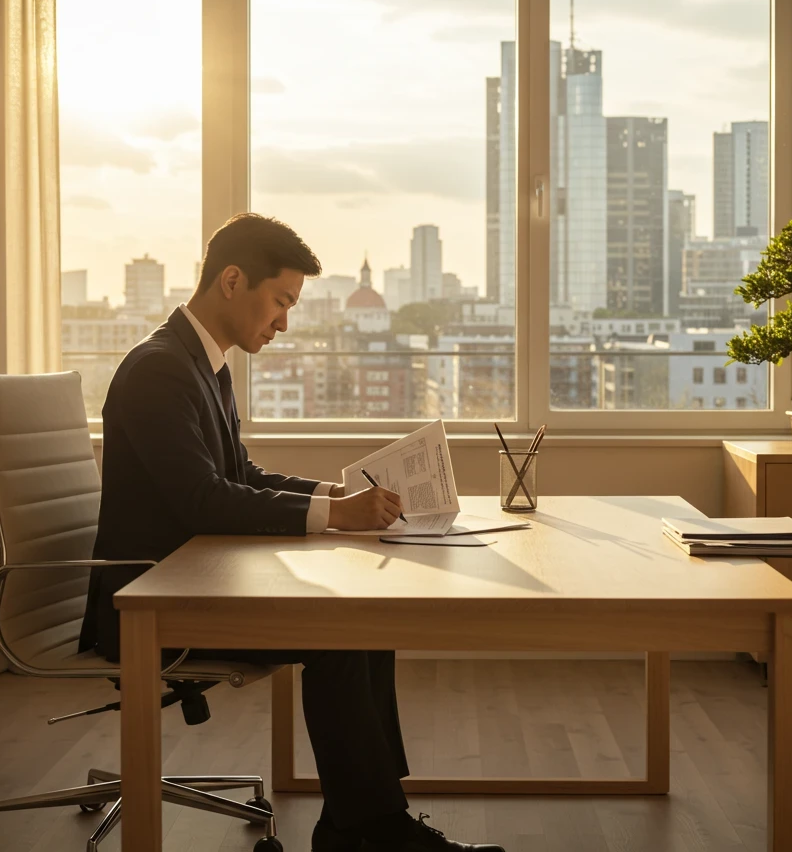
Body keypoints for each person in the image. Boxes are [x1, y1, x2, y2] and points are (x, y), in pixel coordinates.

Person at [80, 213, 504, 852]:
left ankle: (365, 821)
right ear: (231, 281)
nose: (283, 322)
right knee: (341, 627)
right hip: (149, 600)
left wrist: (338, 494)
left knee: (366, 613)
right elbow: (203, 500)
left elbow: (240, 474)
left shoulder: (204, 365)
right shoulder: (159, 371)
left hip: (199, 575)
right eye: (280, 302)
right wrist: (339, 516)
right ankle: (368, 830)